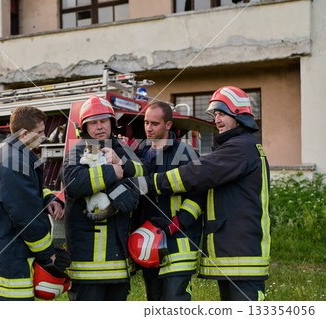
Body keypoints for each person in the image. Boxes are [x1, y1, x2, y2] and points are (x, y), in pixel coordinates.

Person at [152, 86, 271, 301]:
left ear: (240, 116)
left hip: (242, 256)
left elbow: (197, 174)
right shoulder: (240, 146)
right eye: (215, 114)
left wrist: (152, 182)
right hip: (235, 254)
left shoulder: (240, 148)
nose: (217, 120)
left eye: (223, 114)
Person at [0, 106, 70, 301]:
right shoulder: (15, 162)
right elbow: (26, 217)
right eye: (39, 132)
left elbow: (32, 190)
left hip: (12, 253)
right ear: (24, 133)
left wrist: (49, 198)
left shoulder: (18, 154)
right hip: (11, 264)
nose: (44, 137)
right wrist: (48, 254)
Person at [62, 95, 143, 301]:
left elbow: (144, 176)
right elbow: (73, 184)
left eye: (103, 121)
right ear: (85, 127)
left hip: (118, 263)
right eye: (93, 122)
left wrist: (122, 166)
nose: (99, 127)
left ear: (112, 123)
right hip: (87, 263)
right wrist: (112, 173)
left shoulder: (123, 150)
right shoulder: (80, 149)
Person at [132, 101, 204, 301]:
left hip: (178, 243)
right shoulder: (140, 154)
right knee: (154, 301)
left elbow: (199, 195)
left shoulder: (185, 153)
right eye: (146, 122)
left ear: (168, 125)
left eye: (154, 123)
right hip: (149, 244)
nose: (148, 128)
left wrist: (177, 223)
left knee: (174, 302)